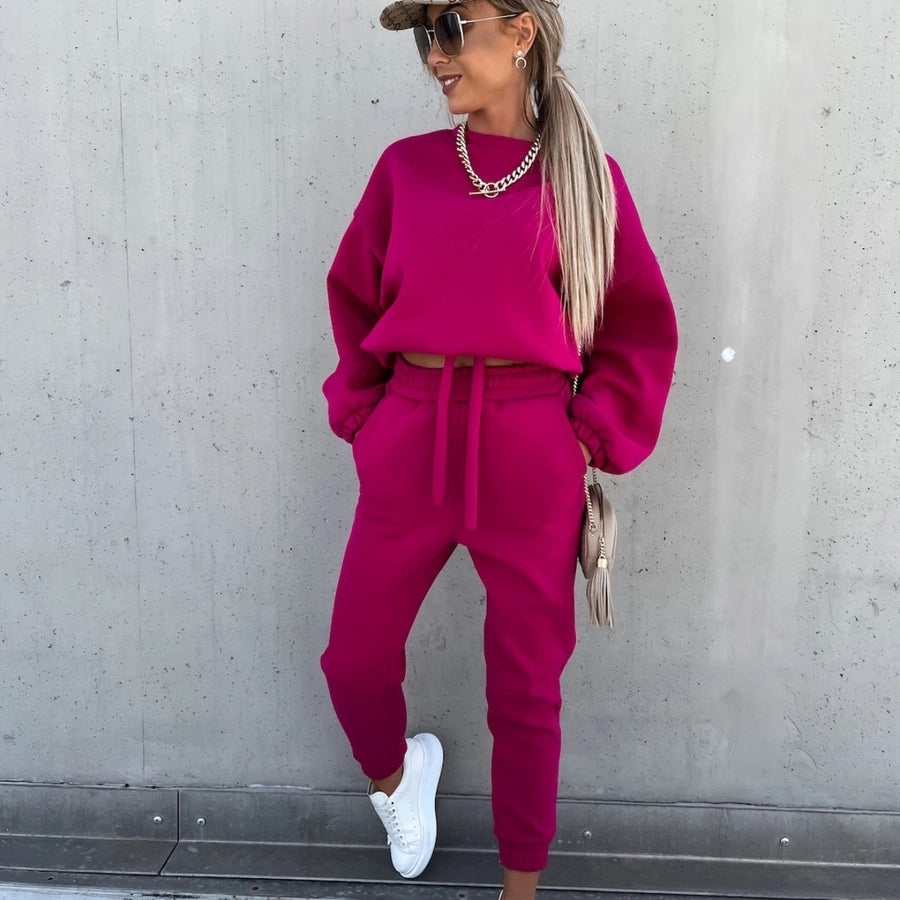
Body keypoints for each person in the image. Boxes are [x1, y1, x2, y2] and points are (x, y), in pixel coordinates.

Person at [319, 1, 678, 897]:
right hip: (410, 436)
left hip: (528, 449)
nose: (433, 54)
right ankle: (398, 780)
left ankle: (521, 889)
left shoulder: (586, 180)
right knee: (353, 661)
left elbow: (637, 324)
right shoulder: (405, 170)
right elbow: (354, 294)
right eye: (424, 37)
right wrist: (366, 415)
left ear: (520, 32)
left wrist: (587, 433)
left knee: (525, 690)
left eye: (450, 26)